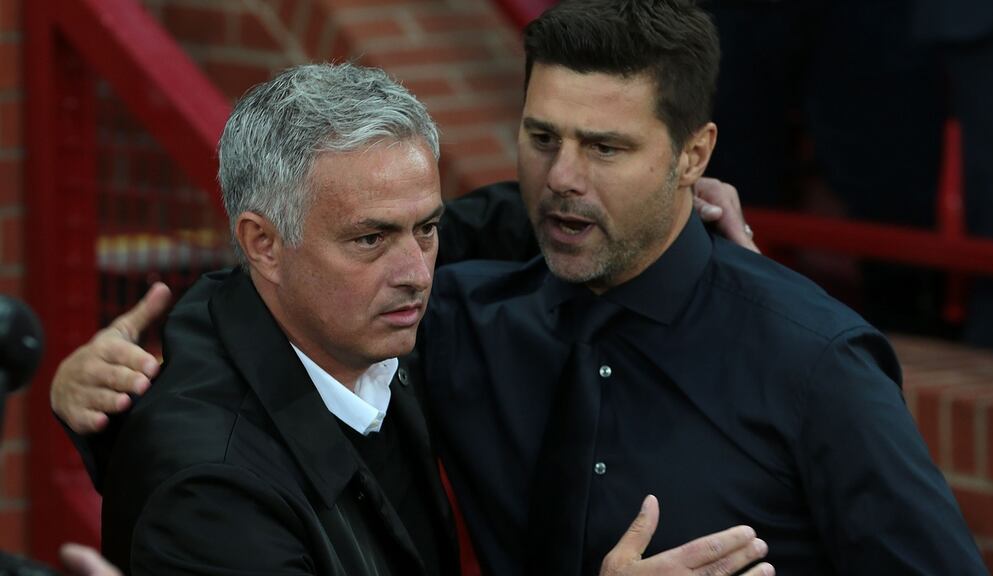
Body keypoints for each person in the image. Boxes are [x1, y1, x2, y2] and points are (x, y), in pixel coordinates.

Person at [58, 61, 772, 575]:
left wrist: (649, 195)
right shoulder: (211, 495)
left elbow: (482, 224)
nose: (417, 272)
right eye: (371, 238)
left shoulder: (333, 296)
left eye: (424, 229)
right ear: (263, 244)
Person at [414, 1, 986, 575]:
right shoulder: (455, 322)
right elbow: (351, 247)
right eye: (542, 138)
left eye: (605, 148)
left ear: (693, 155)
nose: (561, 176)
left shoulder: (815, 363)